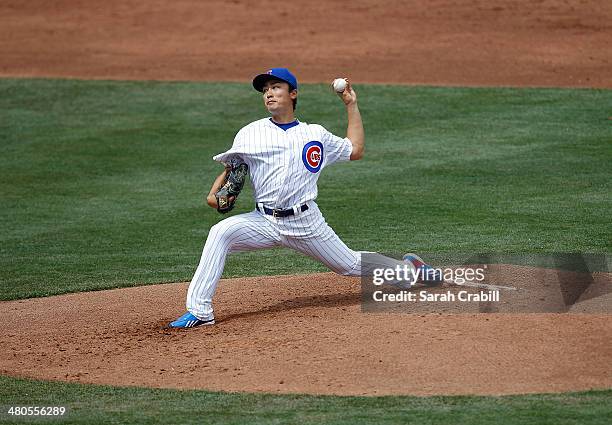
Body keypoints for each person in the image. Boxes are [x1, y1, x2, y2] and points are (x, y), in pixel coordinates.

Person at [169, 68, 440, 328]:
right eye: (265, 90)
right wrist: (220, 192)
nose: (269, 94)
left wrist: (351, 105)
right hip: (263, 220)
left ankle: (409, 270)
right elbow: (230, 171)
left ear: (293, 94)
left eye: (276, 87)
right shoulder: (249, 133)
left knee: (349, 265)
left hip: (306, 222)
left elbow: (354, 150)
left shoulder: (315, 134)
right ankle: (199, 311)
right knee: (221, 232)